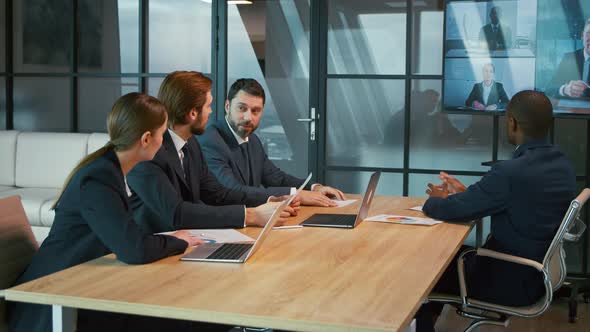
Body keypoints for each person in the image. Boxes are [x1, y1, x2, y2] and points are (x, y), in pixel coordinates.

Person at [9, 93, 207, 332]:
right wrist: (177, 241)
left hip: (83, 284)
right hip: (54, 299)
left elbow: (127, 236)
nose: (164, 141)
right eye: (162, 133)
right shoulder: (98, 178)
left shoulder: (110, 167)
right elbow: (133, 250)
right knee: (180, 319)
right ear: (146, 139)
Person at [415, 90, 576, 332]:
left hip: (508, 280)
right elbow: (513, 202)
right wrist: (466, 193)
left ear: (511, 122)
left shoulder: (511, 172)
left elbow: (451, 210)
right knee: (444, 257)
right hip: (536, 276)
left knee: (424, 269)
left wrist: (437, 199)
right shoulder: (561, 164)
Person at [127, 72, 295, 234]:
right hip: (150, 252)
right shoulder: (147, 152)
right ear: (193, 113)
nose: (211, 112)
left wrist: (268, 200)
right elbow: (177, 213)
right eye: (208, 106)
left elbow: (218, 194)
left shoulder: (190, 143)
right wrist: (251, 215)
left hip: (185, 242)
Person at [198, 78, 346, 207]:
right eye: (242, 108)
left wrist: (313, 188)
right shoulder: (211, 141)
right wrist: (295, 195)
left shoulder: (253, 140)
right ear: (227, 106)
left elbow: (276, 178)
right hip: (223, 225)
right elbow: (233, 190)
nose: (248, 117)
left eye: (255, 111)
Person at [546, 18, 590, 98]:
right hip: (571, 108)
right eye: (589, 33)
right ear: (582, 36)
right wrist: (565, 89)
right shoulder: (569, 58)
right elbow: (549, 89)